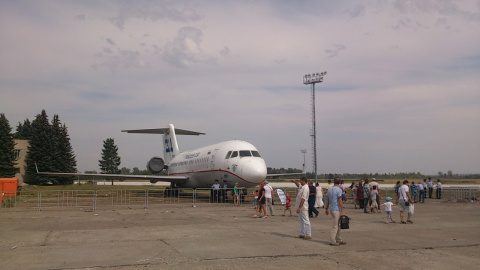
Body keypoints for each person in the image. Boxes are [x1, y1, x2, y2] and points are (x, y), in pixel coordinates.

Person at [325, 177, 346, 246]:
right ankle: (332, 241)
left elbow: (327, 200)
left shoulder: (330, 189)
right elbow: (340, 201)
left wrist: (326, 208)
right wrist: (343, 211)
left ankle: (339, 239)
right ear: (339, 183)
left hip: (331, 209)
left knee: (338, 224)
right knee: (335, 226)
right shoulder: (339, 190)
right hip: (336, 209)